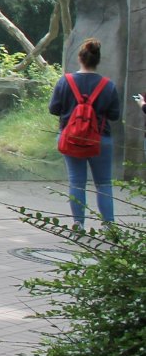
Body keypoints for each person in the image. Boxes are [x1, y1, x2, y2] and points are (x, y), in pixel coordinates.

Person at [49, 38, 120, 229]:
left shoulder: (65, 82)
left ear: (80, 58)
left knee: (76, 182)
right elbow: (114, 115)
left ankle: (78, 224)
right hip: (101, 139)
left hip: (71, 138)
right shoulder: (108, 85)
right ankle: (109, 226)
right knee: (103, 183)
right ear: (98, 60)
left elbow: (54, 109)